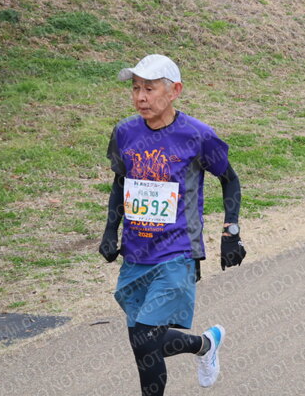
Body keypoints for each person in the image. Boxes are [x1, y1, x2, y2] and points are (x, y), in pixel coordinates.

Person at [98, 54, 247, 395]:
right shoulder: (124, 132)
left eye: (149, 89)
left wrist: (231, 233)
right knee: (144, 346)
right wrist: (109, 231)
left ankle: (204, 346)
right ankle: (205, 345)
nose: (140, 97)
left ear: (174, 91)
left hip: (178, 252)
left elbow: (230, 180)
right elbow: (120, 182)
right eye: (135, 88)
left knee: (145, 337)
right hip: (136, 252)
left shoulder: (197, 135)